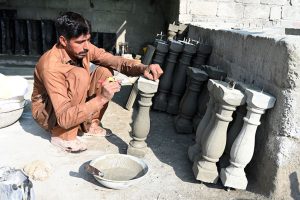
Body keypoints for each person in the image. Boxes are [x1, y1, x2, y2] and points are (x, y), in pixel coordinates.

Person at [31, 11, 163, 153]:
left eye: (87, 39)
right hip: (49, 113)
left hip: (69, 104)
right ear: (63, 41)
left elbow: (114, 61)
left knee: (105, 72)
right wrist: (102, 98)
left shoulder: (84, 48)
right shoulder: (50, 66)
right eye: (80, 42)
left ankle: (90, 125)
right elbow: (63, 117)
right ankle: (62, 136)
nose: (86, 46)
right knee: (79, 75)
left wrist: (143, 68)